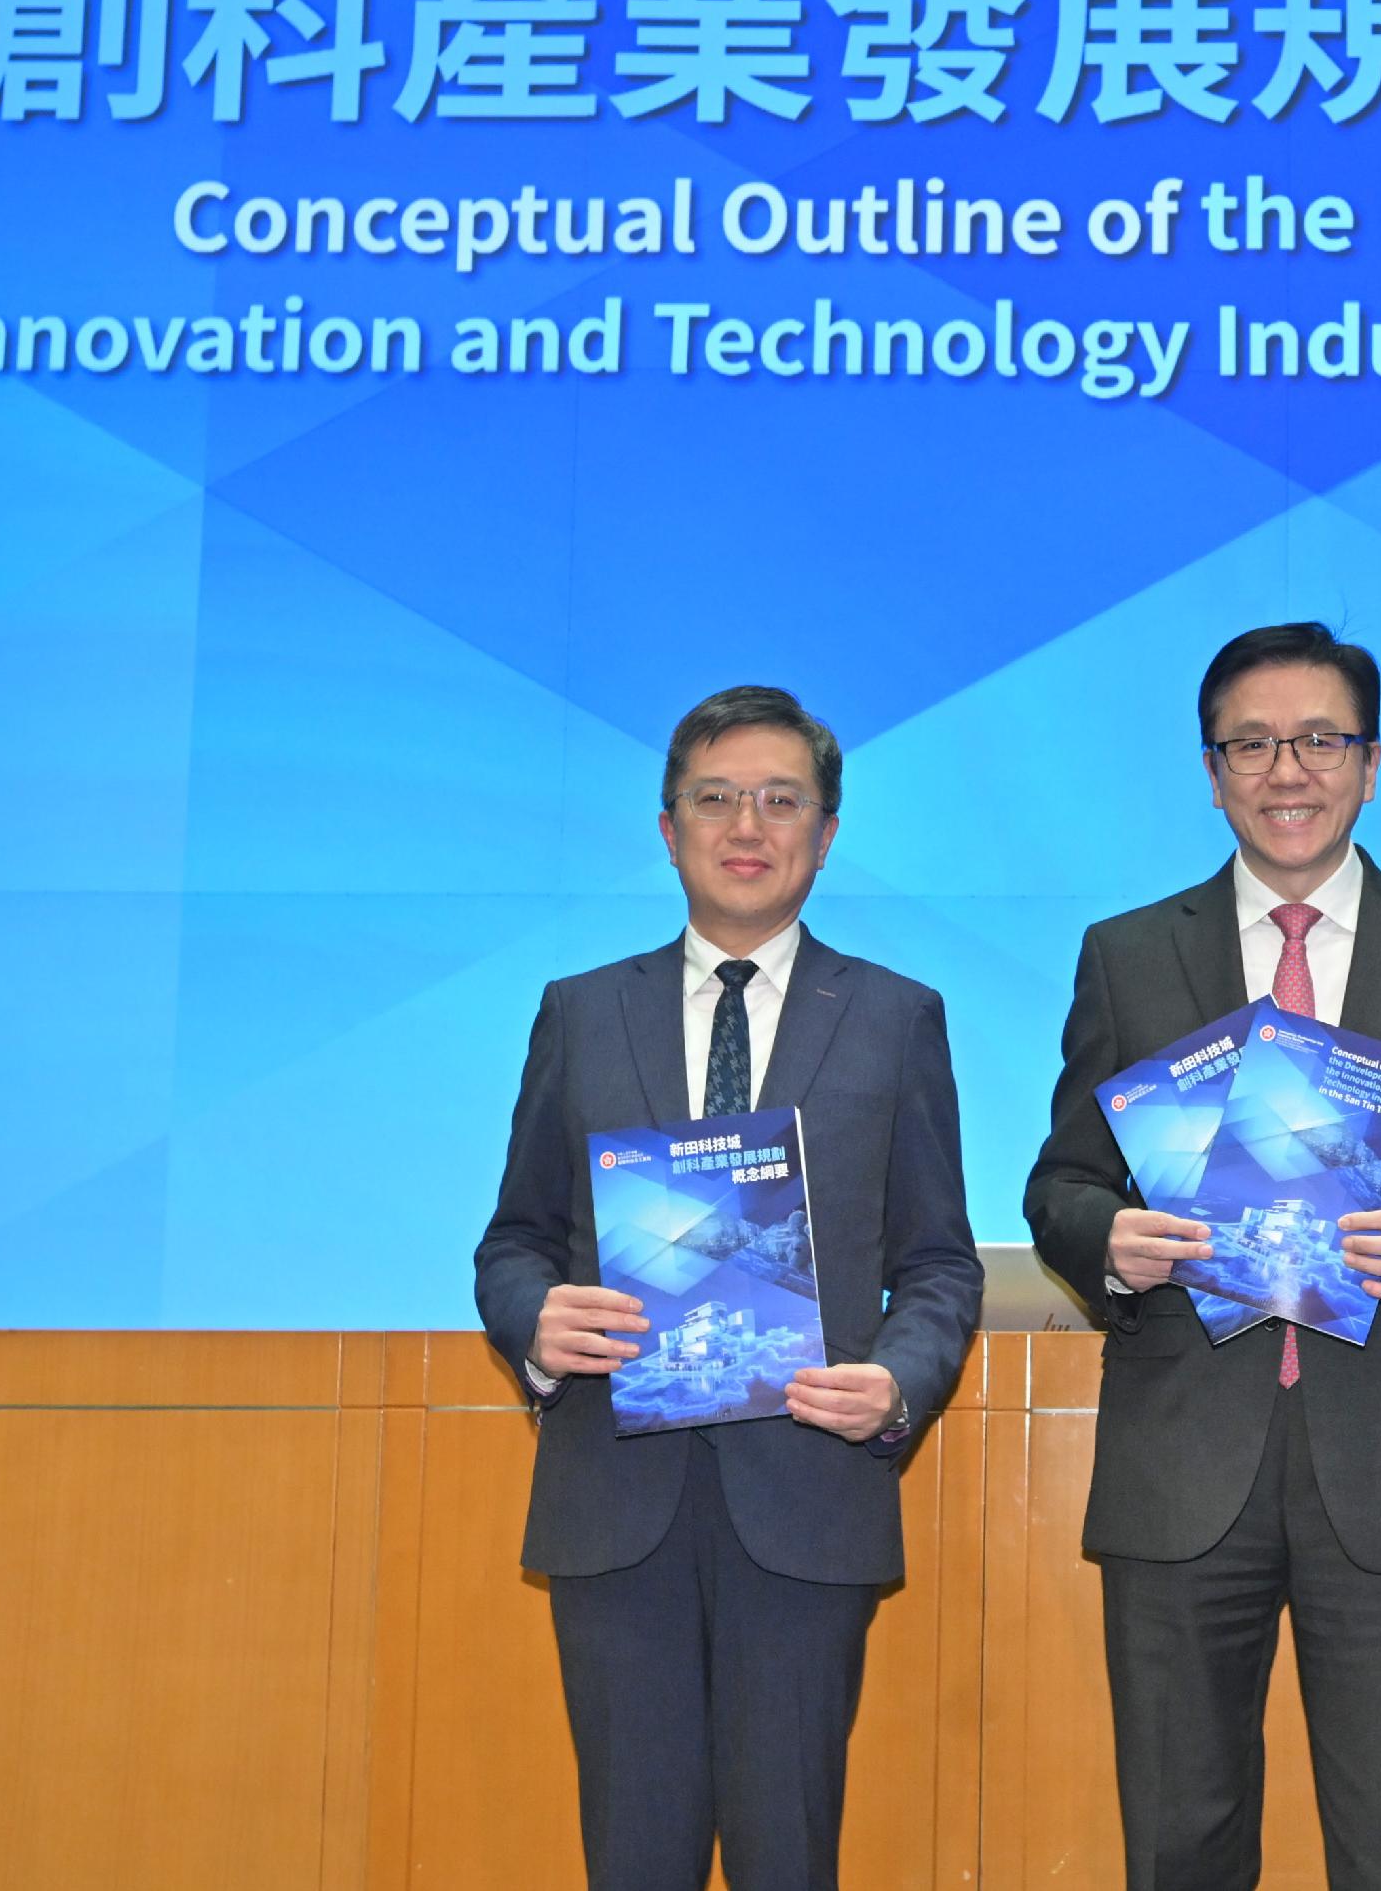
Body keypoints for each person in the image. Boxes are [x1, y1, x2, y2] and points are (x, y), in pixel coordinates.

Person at [1021, 622, 1381, 1891]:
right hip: (1179, 1471)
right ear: (1210, 772)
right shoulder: (1128, 952)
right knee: (1179, 1845)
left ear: (1371, 764)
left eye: (1320, 739)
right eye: (1250, 744)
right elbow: (1061, 1183)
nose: (1286, 770)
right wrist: (1113, 1241)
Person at [473, 685, 983, 1891]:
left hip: (807, 1501)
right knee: (633, 1861)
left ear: (825, 830)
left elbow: (939, 1262)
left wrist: (898, 1385)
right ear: (668, 828)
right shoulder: (581, 1010)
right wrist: (536, 1327)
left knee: (787, 1857)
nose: (746, 823)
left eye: (779, 799)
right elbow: (514, 1239)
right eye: (715, 797)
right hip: (617, 1503)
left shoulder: (897, 1018)